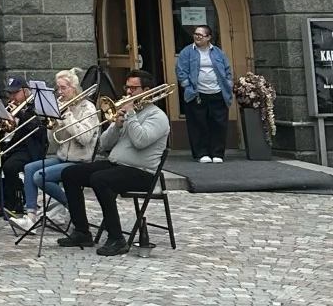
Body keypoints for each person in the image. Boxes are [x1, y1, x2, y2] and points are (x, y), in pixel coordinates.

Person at [58, 70, 170, 256]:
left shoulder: (157, 117)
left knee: (100, 179)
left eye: (134, 88)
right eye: (127, 87)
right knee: (70, 174)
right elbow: (104, 144)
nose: (128, 92)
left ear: (147, 90)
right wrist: (117, 126)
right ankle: (81, 231)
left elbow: (140, 141)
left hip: (142, 173)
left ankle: (117, 238)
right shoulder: (126, 113)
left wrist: (131, 114)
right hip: (117, 165)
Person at [12, 70, 99, 232]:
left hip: (79, 160)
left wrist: (67, 117)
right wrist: (52, 123)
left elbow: (85, 138)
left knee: (40, 177)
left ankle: (72, 205)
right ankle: (31, 217)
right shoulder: (62, 106)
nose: (60, 92)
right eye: (58, 88)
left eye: (64, 88)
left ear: (74, 88)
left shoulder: (88, 108)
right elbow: (54, 142)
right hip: (62, 157)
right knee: (30, 168)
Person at [176, 25, 233, 163]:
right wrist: (187, 86)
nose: (197, 37)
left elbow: (227, 70)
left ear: (208, 37)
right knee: (198, 124)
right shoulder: (187, 52)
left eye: (200, 35)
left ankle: (217, 153)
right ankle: (202, 153)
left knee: (219, 124)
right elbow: (180, 70)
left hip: (218, 92)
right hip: (197, 93)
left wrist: (228, 83)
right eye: (195, 34)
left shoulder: (218, 52)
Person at [0, 76, 49, 218]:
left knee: (10, 166)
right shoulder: (10, 106)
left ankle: (15, 204)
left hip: (30, 148)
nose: (12, 97)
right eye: (10, 93)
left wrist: (20, 114)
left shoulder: (37, 105)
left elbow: (39, 130)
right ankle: (0, 201)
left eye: (15, 93)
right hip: (13, 146)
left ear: (26, 91)